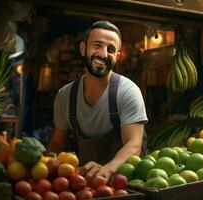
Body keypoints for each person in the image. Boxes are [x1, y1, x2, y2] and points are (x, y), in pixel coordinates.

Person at [47, 21, 148, 182]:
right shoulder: (65, 96)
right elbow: (57, 143)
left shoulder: (128, 91)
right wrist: (42, 167)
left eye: (111, 49)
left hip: (125, 184)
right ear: (83, 48)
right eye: (97, 45)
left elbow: (134, 145)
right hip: (85, 185)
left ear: (116, 57)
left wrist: (107, 170)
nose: (103, 54)